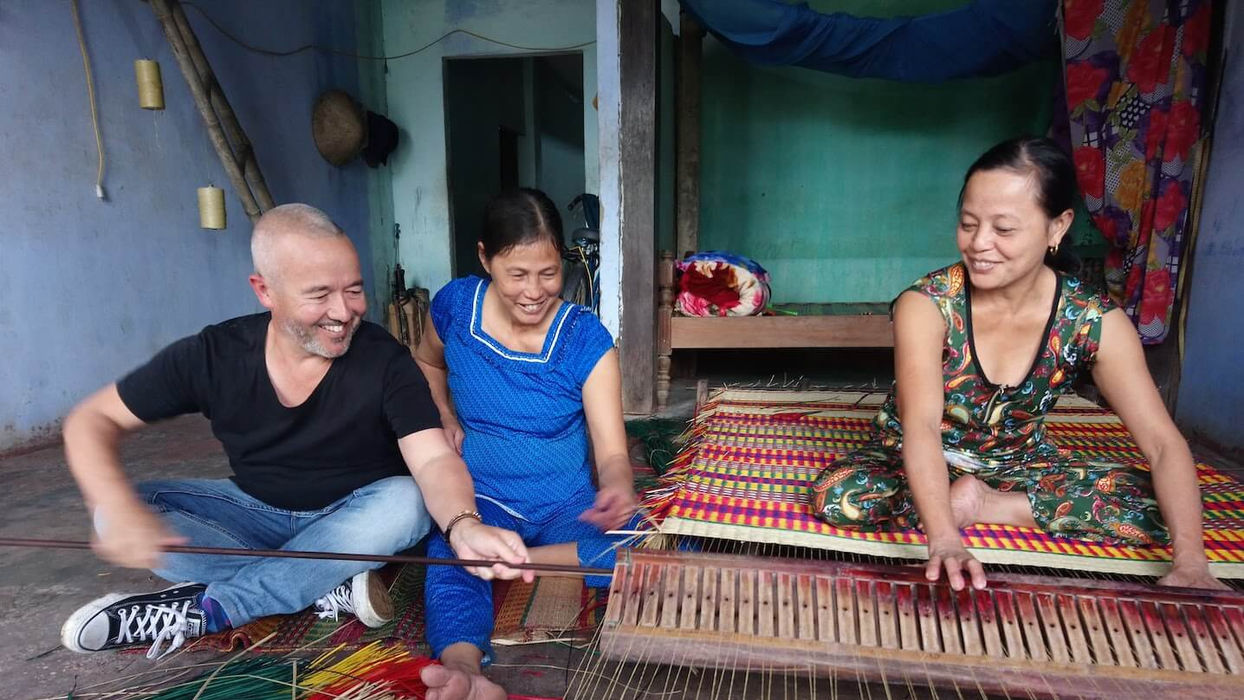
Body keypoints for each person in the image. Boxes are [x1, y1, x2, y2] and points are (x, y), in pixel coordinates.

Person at [60, 203, 532, 659]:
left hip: (359, 517)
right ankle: (327, 580)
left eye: (353, 289)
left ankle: (215, 607)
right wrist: (119, 509)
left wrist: (463, 524)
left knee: (407, 502)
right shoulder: (214, 355)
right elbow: (91, 420)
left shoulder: (383, 359)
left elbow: (432, 459)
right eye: (319, 294)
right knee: (117, 508)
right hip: (256, 513)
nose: (344, 311)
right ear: (265, 291)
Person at [810, 136, 1226, 592]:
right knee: (842, 496)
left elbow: (1164, 444)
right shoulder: (928, 304)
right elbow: (922, 428)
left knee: (1174, 505)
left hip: (1019, 466)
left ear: (1057, 228)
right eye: (968, 224)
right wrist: (945, 539)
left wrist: (1192, 563)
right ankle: (964, 504)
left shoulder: (1092, 321)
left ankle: (991, 505)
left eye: (1003, 229)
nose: (979, 244)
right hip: (916, 457)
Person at [414, 189, 637, 699]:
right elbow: (426, 363)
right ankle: (464, 669)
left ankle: (524, 560)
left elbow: (612, 453)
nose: (535, 291)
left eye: (549, 272)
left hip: (565, 504)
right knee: (449, 554)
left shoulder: (585, 339)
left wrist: (619, 489)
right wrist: (445, 412)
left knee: (646, 546)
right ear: (484, 259)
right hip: (484, 496)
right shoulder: (454, 308)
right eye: (517, 274)